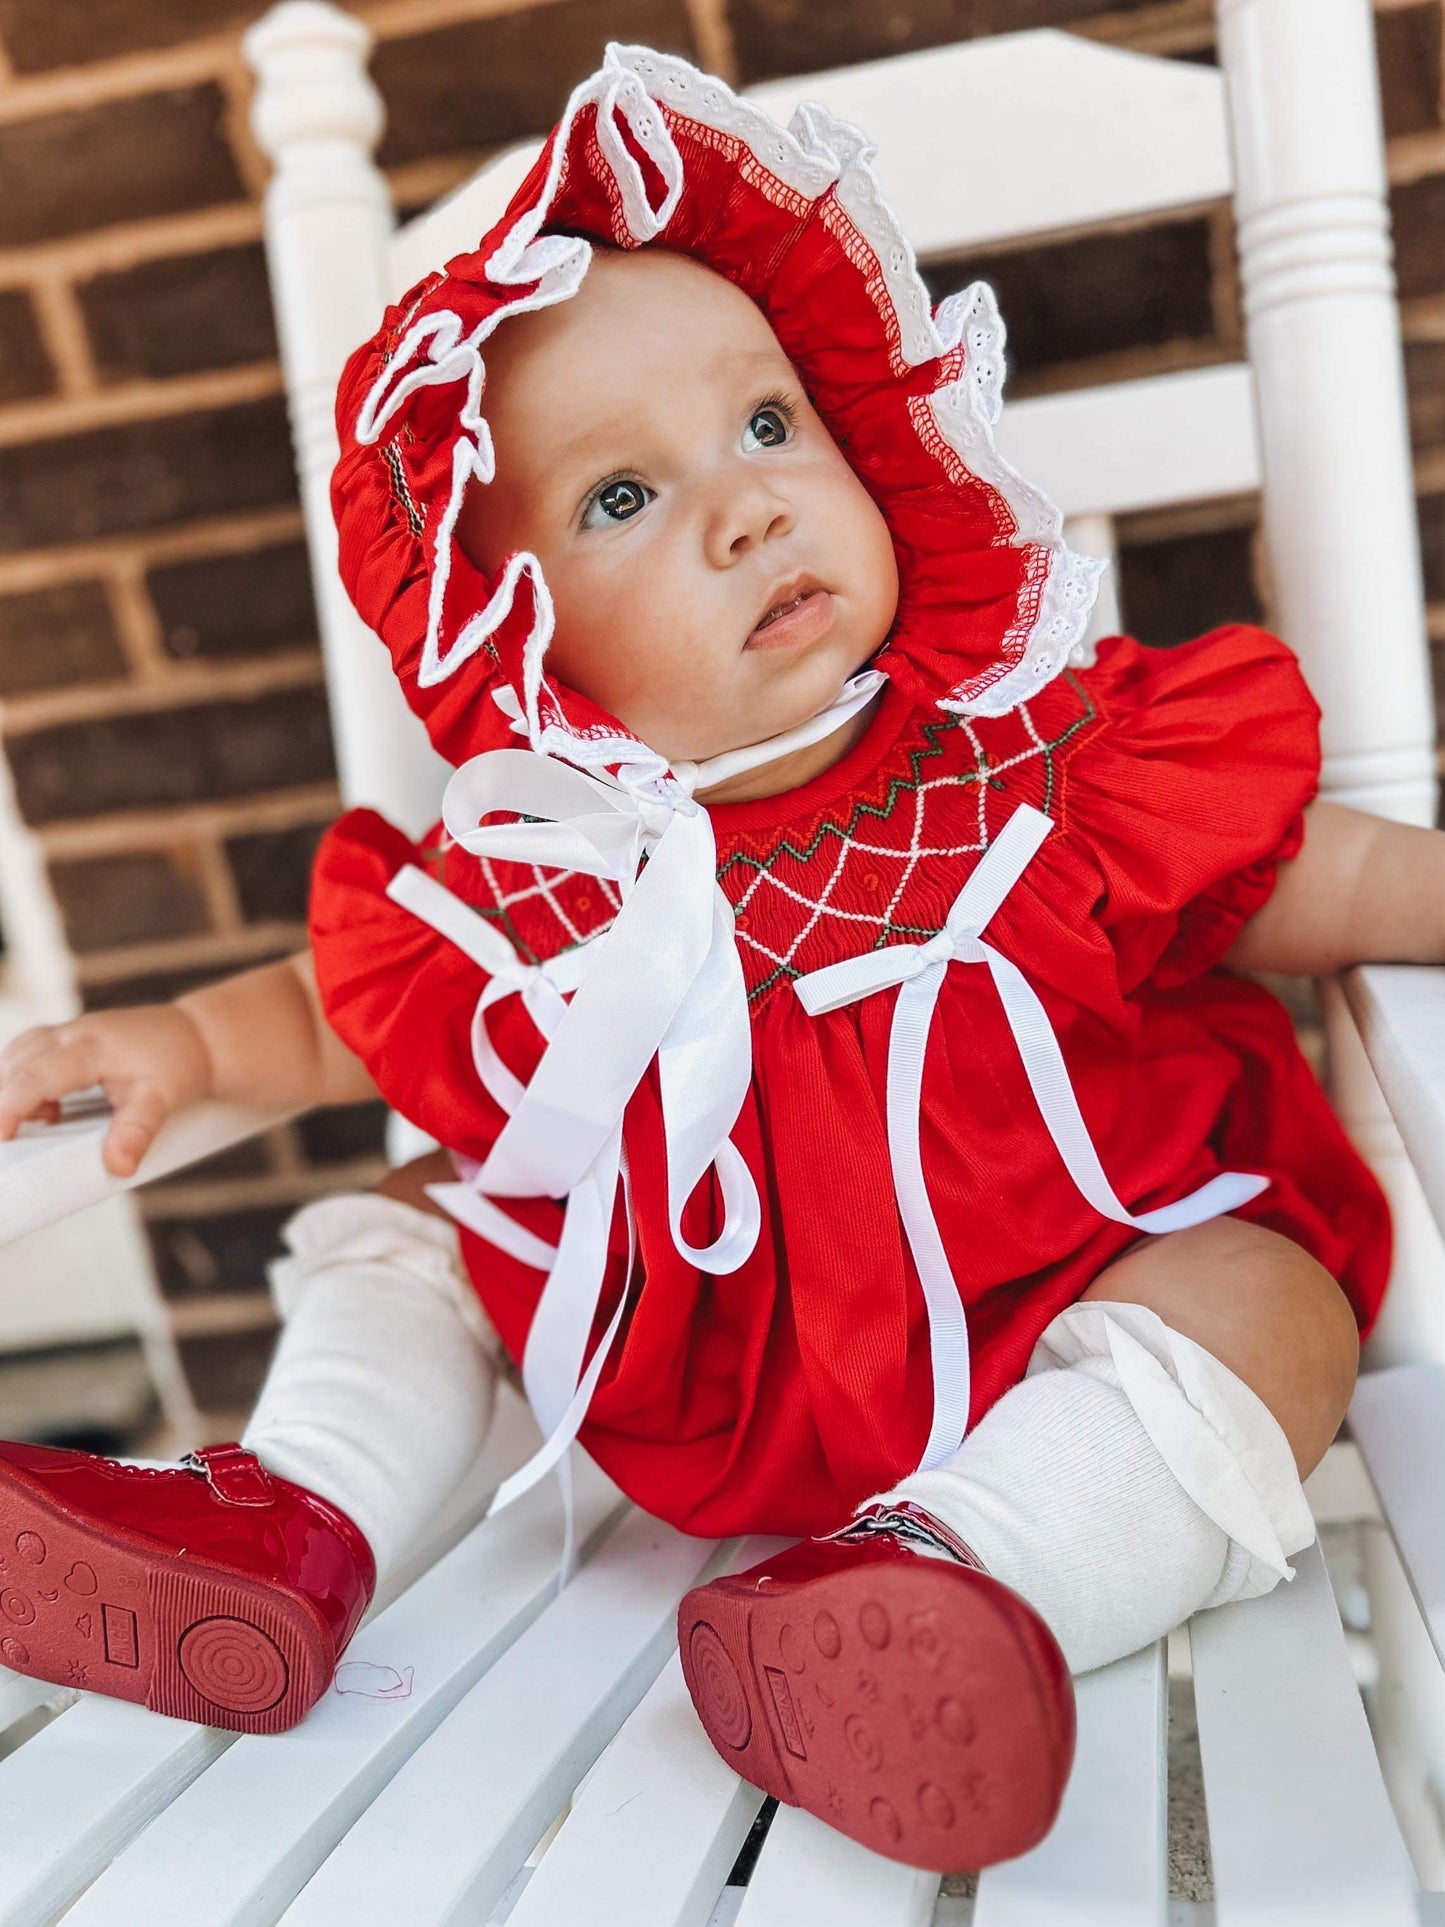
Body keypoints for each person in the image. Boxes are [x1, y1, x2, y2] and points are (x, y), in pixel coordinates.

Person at [0, 43, 1418, 1869]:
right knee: (433, 1212)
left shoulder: (1032, 758)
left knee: (1270, 1298)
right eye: (621, 499)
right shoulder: (551, 863)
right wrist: (190, 1047)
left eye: (767, 426)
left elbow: (1302, 872)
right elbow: (345, 1012)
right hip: (697, 1368)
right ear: (513, 636)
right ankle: (290, 1517)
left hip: (1060, 1313)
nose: (746, 507)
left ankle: (965, 1578)